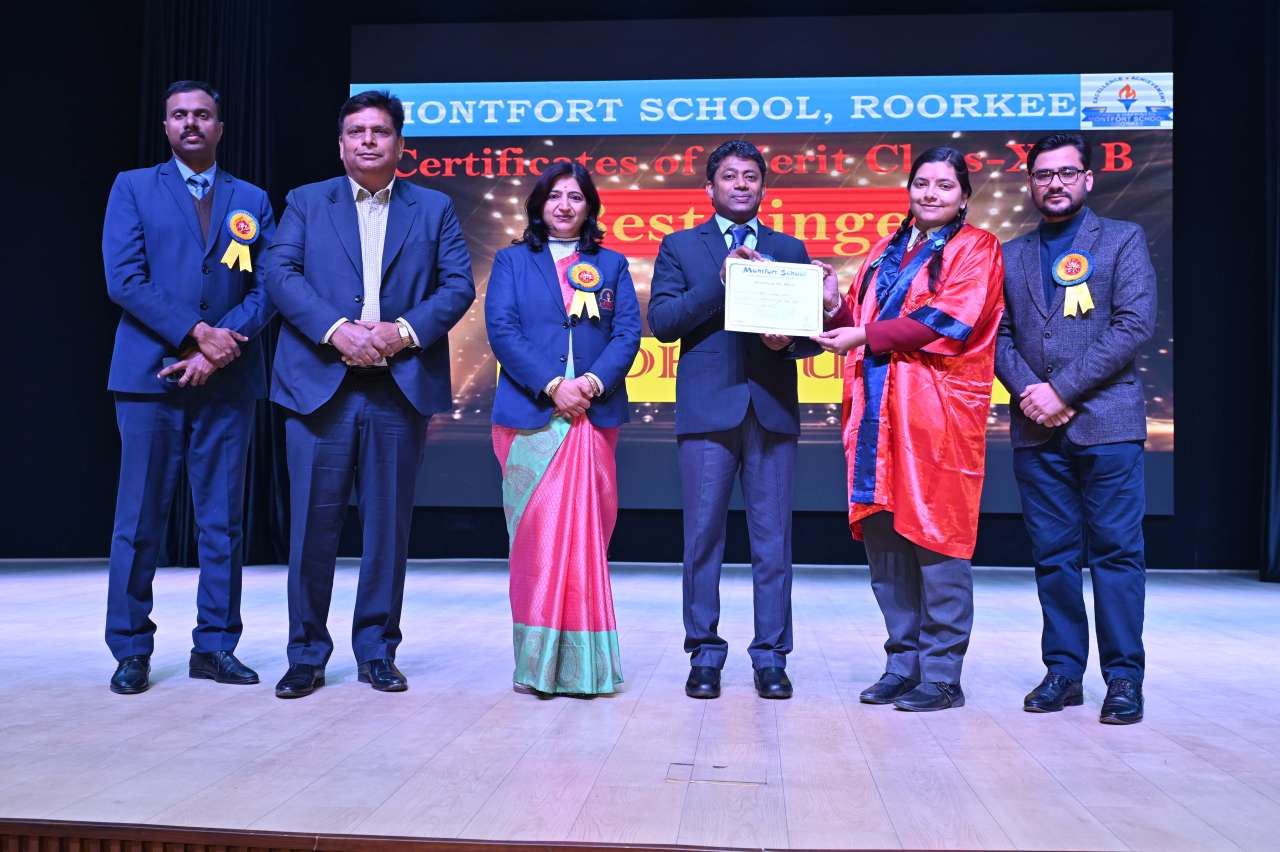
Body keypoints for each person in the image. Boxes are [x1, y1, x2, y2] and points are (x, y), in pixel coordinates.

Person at [262, 90, 475, 699]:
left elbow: (458, 285)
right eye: (356, 131)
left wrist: (401, 332)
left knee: (387, 529)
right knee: (312, 530)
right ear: (341, 144)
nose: (368, 141)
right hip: (319, 389)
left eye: (380, 131)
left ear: (400, 144)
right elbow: (279, 274)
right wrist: (337, 330)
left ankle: (377, 649)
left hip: (396, 389)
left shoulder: (433, 207)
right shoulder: (306, 201)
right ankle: (306, 654)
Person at [811, 146, 1004, 712]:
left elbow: (952, 318)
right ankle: (903, 664)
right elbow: (857, 319)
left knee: (937, 538)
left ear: (964, 196)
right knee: (885, 541)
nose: (930, 193)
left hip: (935, 416)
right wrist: (832, 304)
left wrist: (864, 335)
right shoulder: (882, 251)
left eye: (944, 185)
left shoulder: (978, 248)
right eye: (922, 183)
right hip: (874, 417)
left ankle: (942, 675)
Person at [101, 80, 275, 695]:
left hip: (227, 380)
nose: (192, 123)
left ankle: (216, 646)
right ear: (166, 127)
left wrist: (218, 349)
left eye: (203, 115)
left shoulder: (251, 198)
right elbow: (124, 279)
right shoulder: (133, 187)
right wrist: (196, 334)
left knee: (222, 521)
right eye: (180, 115)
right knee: (139, 519)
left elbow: (267, 287)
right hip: (150, 376)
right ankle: (130, 649)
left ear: (220, 128)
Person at [995, 133, 1155, 725]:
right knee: (1053, 557)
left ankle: (1123, 679)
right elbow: (996, 336)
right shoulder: (1009, 254)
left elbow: (1133, 324)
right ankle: (1063, 672)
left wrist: (1061, 390)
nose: (1055, 183)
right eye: (1043, 175)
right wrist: (1032, 394)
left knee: (1117, 554)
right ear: (1030, 184)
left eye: (1066, 173)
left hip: (1107, 423)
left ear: (1087, 179)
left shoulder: (1122, 239)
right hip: (1037, 428)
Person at [648, 139, 813, 701]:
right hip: (707, 411)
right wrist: (721, 281)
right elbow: (663, 323)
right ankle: (704, 653)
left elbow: (807, 338)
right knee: (702, 538)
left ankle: (771, 656)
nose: (741, 185)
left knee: (774, 542)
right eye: (730, 176)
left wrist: (790, 341)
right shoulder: (680, 247)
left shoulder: (788, 248)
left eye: (751, 176)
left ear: (763, 186)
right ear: (710, 187)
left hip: (771, 410)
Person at [485, 162, 641, 696]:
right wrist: (554, 385)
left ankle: (584, 668)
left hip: (592, 416)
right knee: (535, 541)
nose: (565, 205)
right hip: (532, 416)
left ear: (590, 206)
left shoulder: (612, 264)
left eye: (576, 196)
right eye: (555, 196)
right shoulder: (511, 261)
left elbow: (627, 333)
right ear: (538, 204)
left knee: (585, 539)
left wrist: (590, 384)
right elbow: (502, 330)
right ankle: (536, 666)